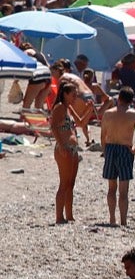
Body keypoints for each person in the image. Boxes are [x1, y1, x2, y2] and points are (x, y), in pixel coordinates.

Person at [99, 86, 135, 226]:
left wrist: (105, 150)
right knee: (123, 190)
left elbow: (103, 136)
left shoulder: (108, 113)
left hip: (110, 148)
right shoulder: (133, 115)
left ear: (119, 98)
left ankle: (112, 218)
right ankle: (123, 220)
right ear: (131, 100)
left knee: (111, 187)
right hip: (125, 150)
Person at [48, 80, 82, 225]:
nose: (75, 97)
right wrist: (61, 145)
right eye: (73, 94)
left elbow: (80, 122)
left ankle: (69, 215)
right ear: (65, 94)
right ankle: (59, 216)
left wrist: (89, 109)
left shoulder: (68, 108)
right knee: (64, 183)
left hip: (73, 149)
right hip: (65, 147)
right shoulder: (59, 108)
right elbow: (53, 127)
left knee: (71, 183)